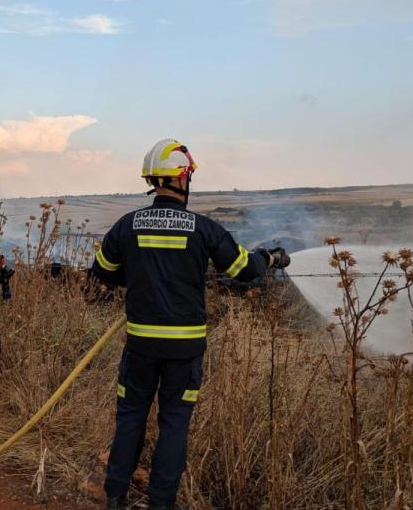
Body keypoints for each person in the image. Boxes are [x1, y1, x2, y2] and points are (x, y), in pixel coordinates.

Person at [91, 139, 290, 510]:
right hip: (185, 350)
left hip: (140, 346)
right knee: (174, 423)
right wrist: (271, 258)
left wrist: (138, 279)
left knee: (131, 416)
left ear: (154, 180)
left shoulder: (126, 225)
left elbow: (101, 271)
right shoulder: (203, 228)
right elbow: (243, 270)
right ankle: (161, 503)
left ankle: (115, 496)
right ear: (182, 178)